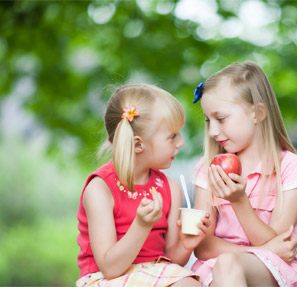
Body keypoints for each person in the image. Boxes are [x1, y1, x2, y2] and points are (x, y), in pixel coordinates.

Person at [190, 61, 297, 287]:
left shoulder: (293, 169)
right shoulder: (208, 167)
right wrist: (261, 249)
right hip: (214, 270)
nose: (212, 132)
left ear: (258, 113)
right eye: (207, 121)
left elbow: (279, 249)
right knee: (222, 266)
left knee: (227, 264)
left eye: (221, 119)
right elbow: (202, 246)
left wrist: (239, 201)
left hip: (275, 271)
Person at [76, 84, 211, 287]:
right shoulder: (100, 189)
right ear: (139, 144)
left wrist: (185, 245)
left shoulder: (170, 188)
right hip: (104, 278)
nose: (181, 142)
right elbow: (110, 268)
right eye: (172, 135)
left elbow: (170, 262)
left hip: (154, 272)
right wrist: (141, 225)